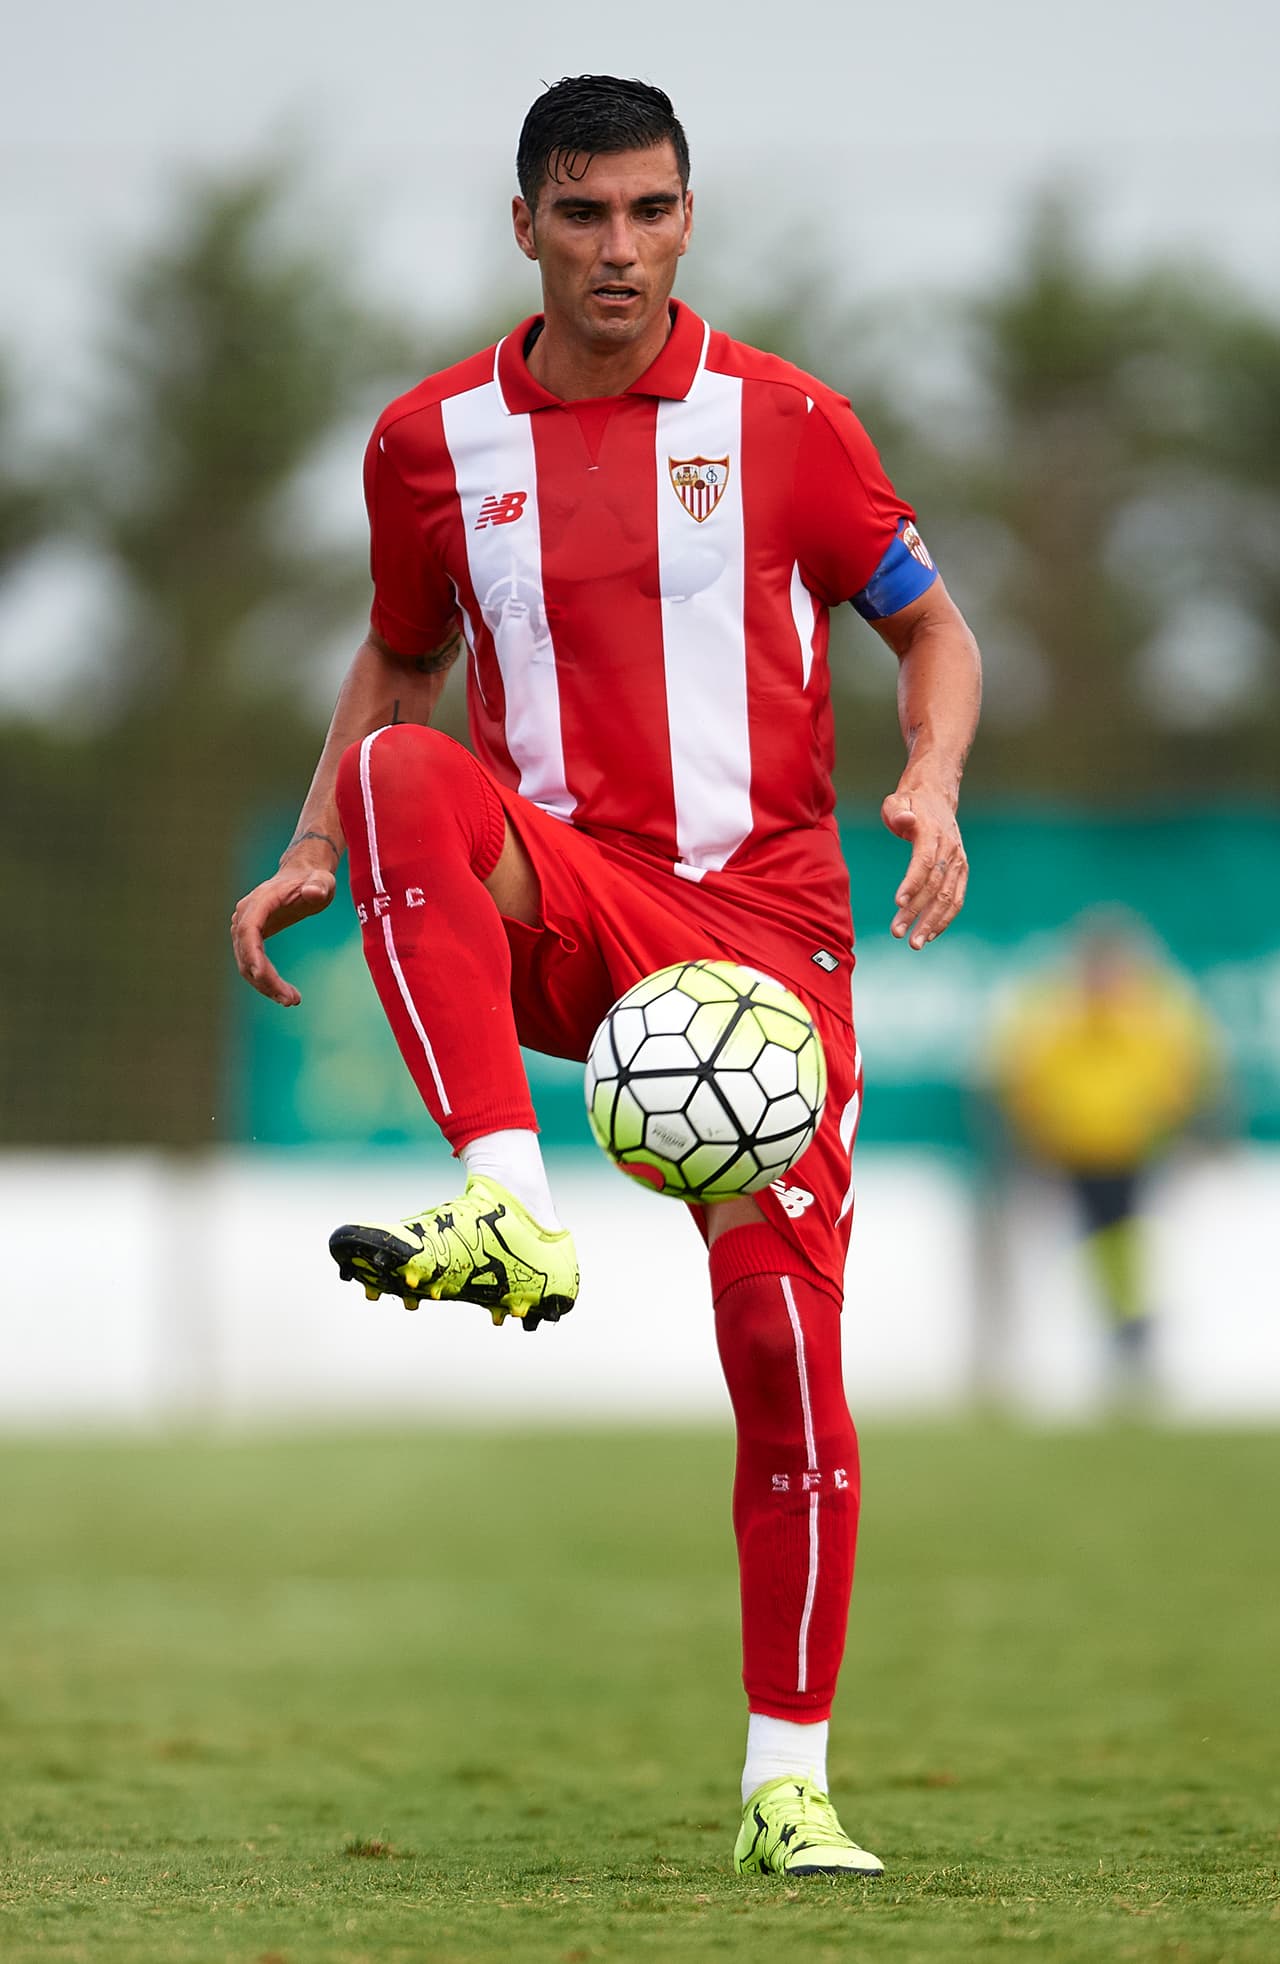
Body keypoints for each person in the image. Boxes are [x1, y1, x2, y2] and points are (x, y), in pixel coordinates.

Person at [231, 75, 982, 1878]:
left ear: (689, 219)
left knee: (783, 1350)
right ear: (526, 230)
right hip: (562, 897)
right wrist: (318, 844)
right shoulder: (428, 444)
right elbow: (400, 662)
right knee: (416, 773)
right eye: (583, 214)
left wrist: (932, 779)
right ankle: (509, 1204)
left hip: (766, 938)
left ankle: (786, 1783)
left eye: (649, 211)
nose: (618, 248)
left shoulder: (790, 423)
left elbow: (931, 624)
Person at [989, 911, 1219, 1392]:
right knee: (1081, 1247)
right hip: (1064, 1152)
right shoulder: (1057, 1012)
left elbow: (1185, 1076)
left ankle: (1127, 1340)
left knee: (1120, 1245)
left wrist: (1172, 1128)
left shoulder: (1152, 1011)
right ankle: (1029, 1354)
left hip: (1129, 1152)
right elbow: (1023, 1077)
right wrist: (1036, 1132)